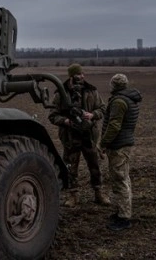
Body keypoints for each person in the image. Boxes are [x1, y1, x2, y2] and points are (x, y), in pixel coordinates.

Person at [49, 63, 110, 207]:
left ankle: (98, 193)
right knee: (71, 167)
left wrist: (93, 115)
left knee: (94, 166)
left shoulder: (92, 91)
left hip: (89, 136)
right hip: (70, 137)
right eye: (78, 74)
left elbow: (102, 108)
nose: (82, 76)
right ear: (71, 76)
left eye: (82, 73)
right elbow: (52, 116)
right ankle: (73, 196)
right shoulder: (61, 94)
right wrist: (66, 121)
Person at [101, 73, 142, 231]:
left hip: (118, 146)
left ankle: (124, 218)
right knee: (124, 178)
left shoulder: (119, 101)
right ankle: (122, 212)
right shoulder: (129, 99)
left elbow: (114, 126)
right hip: (124, 143)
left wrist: (103, 143)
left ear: (113, 85)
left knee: (120, 181)